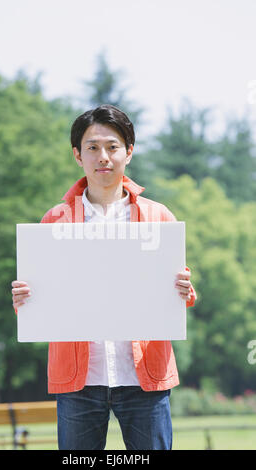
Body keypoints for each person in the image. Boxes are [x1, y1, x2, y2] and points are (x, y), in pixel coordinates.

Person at [12, 104, 197, 450]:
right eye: (92, 147)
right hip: (79, 382)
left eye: (112, 147)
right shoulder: (55, 220)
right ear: (77, 155)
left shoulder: (159, 217)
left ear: (129, 151)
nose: (103, 157)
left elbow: (181, 295)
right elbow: (38, 305)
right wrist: (25, 300)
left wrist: (184, 290)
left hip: (145, 379)